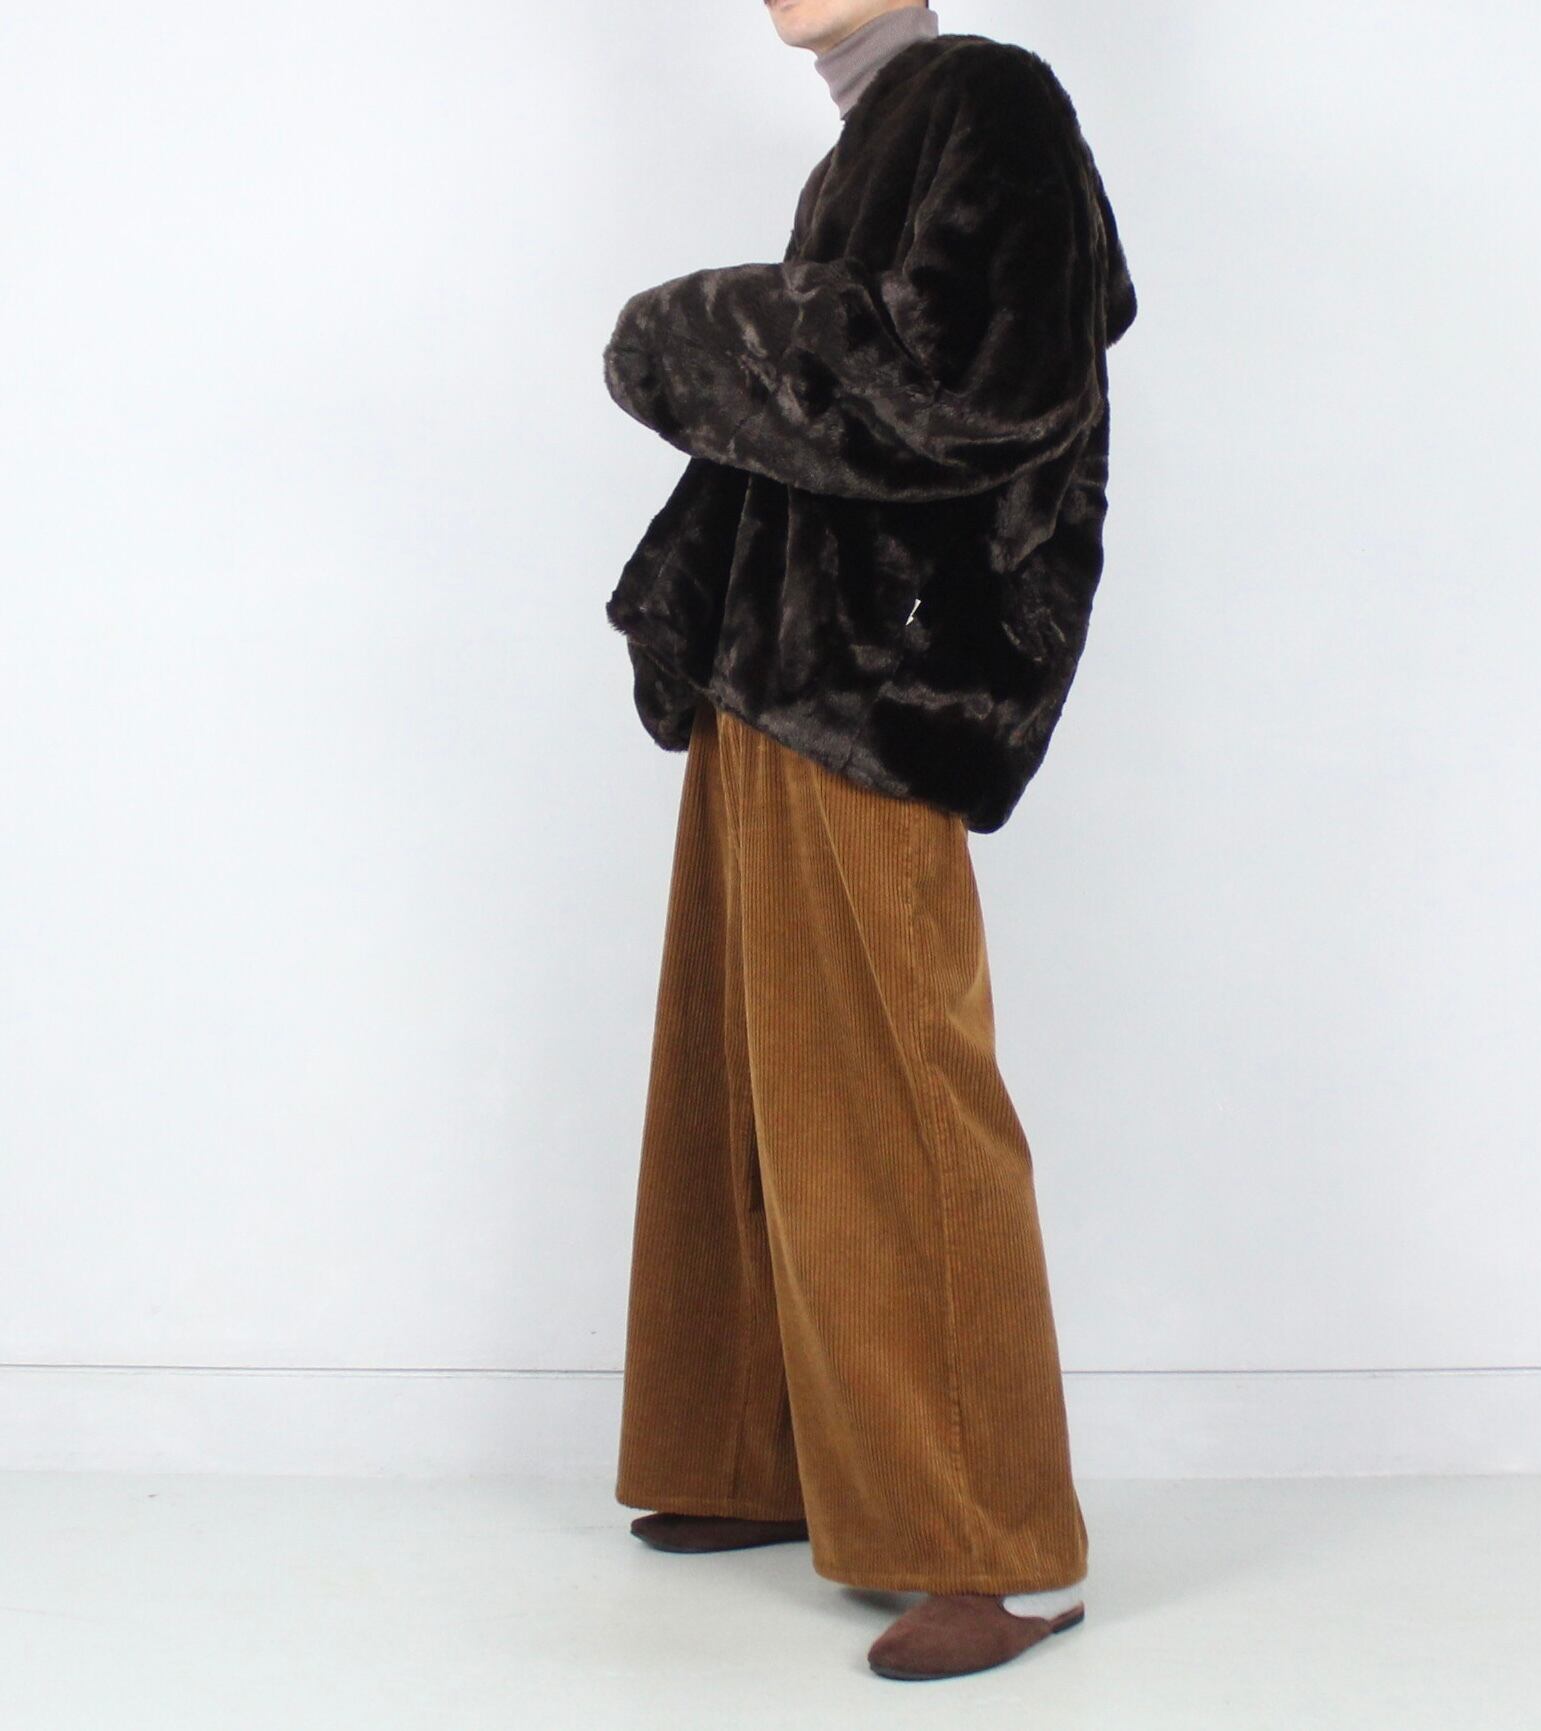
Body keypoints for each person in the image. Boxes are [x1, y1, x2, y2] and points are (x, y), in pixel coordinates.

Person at [600, 0, 1136, 1683]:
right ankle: (759, 1456)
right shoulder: (868, 142)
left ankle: (995, 1544)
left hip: (880, 685)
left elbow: (974, 386)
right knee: (748, 1074)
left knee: (896, 1087)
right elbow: (830, 417)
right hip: (776, 675)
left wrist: (685, 329)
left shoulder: (992, 97)